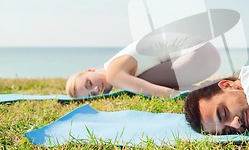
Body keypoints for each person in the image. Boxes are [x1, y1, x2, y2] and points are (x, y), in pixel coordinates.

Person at [66, 34, 221, 98]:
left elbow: (155, 91)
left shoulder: (113, 73)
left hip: (200, 54)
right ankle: (212, 87)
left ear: (89, 70)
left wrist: (183, 97)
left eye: (89, 83)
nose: (95, 89)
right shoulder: (115, 64)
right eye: (92, 94)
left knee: (141, 82)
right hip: (205, 53)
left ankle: (207, 89)